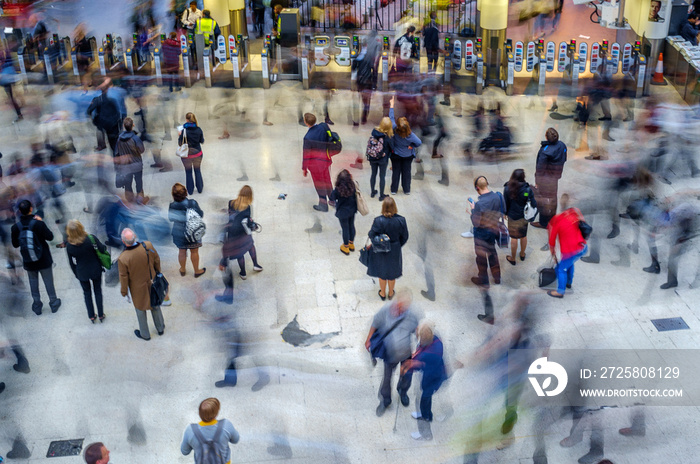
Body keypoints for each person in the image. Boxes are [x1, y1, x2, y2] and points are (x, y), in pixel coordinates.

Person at [365, 290, 419, 416]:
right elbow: (375, 323)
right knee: (387, 378)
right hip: (390, 354)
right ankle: (385, 400)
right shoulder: (386, 310)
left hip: (406, 353)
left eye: (405, 307)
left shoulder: (411, 315)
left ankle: (403, 391)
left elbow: (417, 331)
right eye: (400, 305)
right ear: (396, 301)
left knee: (406, 375)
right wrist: (368, 339)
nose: (401, 309)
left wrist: (419, 347)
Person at [11, 199, 61, 315]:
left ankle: (37, 306)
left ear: (19, 211)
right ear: (31, 209)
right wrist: (42, 221)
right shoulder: (38, 223)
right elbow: (50, 237)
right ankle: (53, 303)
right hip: (43, 259)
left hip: (29, 261)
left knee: (33, 283)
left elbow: (15, 244)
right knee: (48, 281)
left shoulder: (15, 227)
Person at [117, 228, 166, 340]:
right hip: (152, 281)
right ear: (135, 236)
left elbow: (124, 277)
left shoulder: (123, 258)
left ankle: (145, 334)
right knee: (155, 305)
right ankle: (160, 328)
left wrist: (124, 291)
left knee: (140, 309)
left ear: (123, 241)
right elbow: (157, 260)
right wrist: (157, 272)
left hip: (137, 288)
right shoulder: (148, 246)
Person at [401, 322, 447, 440]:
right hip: (431, 377)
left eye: (421, 338)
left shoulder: (430, 354)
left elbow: (422, 364)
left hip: (431, 380)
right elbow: (420, 355)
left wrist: (411, 366)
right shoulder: (434, 339)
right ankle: (426, 414)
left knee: (423, 402)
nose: (419, 341)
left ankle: (426, 433)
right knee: (425, 400)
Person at [367, 197, 409, 300]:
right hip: (395, 250)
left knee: (382, 273)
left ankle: (382, 293)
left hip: (381, 251)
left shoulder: (378, 220)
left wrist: (379, 243)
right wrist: (397, 245)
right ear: (394, 207)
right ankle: (391, 293)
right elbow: (405, 236)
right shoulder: (401, 220)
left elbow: (371, 234)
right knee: (392, 273)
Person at [547, 194, 588, 298]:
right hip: (582, 247)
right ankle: (568, 282)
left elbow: (552, 241)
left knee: (561, 269)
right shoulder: (574, 212)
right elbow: (583, 222)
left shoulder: (557, 220)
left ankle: (560, 292)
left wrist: (553, 253)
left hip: (570, 251)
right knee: (569, 264)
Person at [65, 220, 106, 323]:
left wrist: (76, 274)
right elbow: (102, 248)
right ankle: (101, 314)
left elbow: (71, 262)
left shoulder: (69, 245)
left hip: (82, 272)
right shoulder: (91, 239)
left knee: (87, 293)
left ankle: (91, 316)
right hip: (95, 269)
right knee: (97, 291)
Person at [221, 185, 263, 283]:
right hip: (243, 233)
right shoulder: (248, 207)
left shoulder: (231, 202)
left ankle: (243, 273)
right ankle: (256, 265)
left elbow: (230, 215)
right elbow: (247, 220)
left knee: (240, 254)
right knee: (250, 246)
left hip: (232, 232)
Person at [181, 398, 240, 463]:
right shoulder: (226, 425)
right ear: (216, 413)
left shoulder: (190, 430)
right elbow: (235, 440)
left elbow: (185, 451)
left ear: (199, 413)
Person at [469, 176, 503, 287]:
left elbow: (476, 223)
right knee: (493, 253)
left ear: (477, 188)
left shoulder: (479, 204)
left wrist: (473, 210)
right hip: (493, 229)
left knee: (481, 257)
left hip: (481, 234)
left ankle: (483, 280)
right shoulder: (497, 196)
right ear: (487, 183)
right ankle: (497, 278)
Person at [168, 183, 206, 278]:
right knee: (194, 252)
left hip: (179, 233)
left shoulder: (172, 205)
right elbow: (200, 214)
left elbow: (171, 219)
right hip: (192, 232)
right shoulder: (192, 203)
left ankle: (183, 269)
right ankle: (197, 270)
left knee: (182, 251)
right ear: (185, 193)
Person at [532, 128, 567, 231]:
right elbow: (564, 158)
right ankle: (553, 218)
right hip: (555, 178)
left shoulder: (545, 151)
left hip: (545, 180)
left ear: (546, 137)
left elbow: (540, 168)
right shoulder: (562, 146)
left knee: (544, 201)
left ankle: (544, 222)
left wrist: (538, 181)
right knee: (553, 198)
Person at [389, 96, 422, 195]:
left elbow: (391, 118)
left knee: (396, 172)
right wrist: (411, 146)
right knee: (406, 173)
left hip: (396, 154)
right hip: (407, 155)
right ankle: (406, 189)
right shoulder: (410, 135)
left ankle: (394, 189)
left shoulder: (394, 129)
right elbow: (419, 142)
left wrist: (391, 105)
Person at [503, 169, 537, 265]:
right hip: (523, 217)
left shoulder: (507, 188)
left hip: (512, 216)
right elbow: (533, 203)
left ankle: (512, 258)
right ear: (523, 177)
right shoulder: (527, 190)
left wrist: (505, 213)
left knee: (514, 238)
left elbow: (505, 202)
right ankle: (522, 254)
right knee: (523, 236)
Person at [302, 113, 334, 211]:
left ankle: (323, 205)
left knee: (319, 184)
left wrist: (304, 168)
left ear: (306, 123)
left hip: (315, 165)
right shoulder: (323, 127)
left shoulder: (308, 137)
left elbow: (306, 155)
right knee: (327, 180)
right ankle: (333, 200)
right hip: (325, 160)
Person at [86, 79, 122, 154]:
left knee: (100, 132)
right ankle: (117, 155)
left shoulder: (97, 99)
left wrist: (94, 120)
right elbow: (118, 112)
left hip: (103, 123)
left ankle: (101, 145)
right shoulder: (113, 99)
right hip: (113, 123)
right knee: (114, 142)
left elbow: (89, 110)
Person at [114, 117, 146, 202]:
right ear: (133, 125)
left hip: (125, 166)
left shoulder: (119, 139)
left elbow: (116, 153)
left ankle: (130, 200)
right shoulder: (135, 138)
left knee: (128, 183)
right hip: (137, 165)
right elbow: (142, 150)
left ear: (124, 126)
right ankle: (140, 199)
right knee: (138, 182)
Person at [329, 169, 358, 255]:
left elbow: (331, 198)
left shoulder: (338, 189)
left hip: (342, 212)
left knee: (345, 228)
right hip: (352, 209)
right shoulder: (353, 186)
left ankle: (345, 247)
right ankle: (351, 244)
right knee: (351, 226)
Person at [178, 112, 205, 195]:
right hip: (197, 154)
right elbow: (202, 141)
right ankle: (200, 189)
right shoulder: (198, 129)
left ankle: (190, 191)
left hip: (187, 155)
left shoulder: (183, 130)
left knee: (188, 172)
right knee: (197, 171)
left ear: (186, 120)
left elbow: (180, 143)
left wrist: (180, 135)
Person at [368, 117, 394, 201]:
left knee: (373, 174)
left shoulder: (374, 132)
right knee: (382, 176)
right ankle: (381, 195)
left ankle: (372, 192)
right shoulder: (388, 137)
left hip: (373, 157)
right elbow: (392, 148)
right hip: (383, 159)